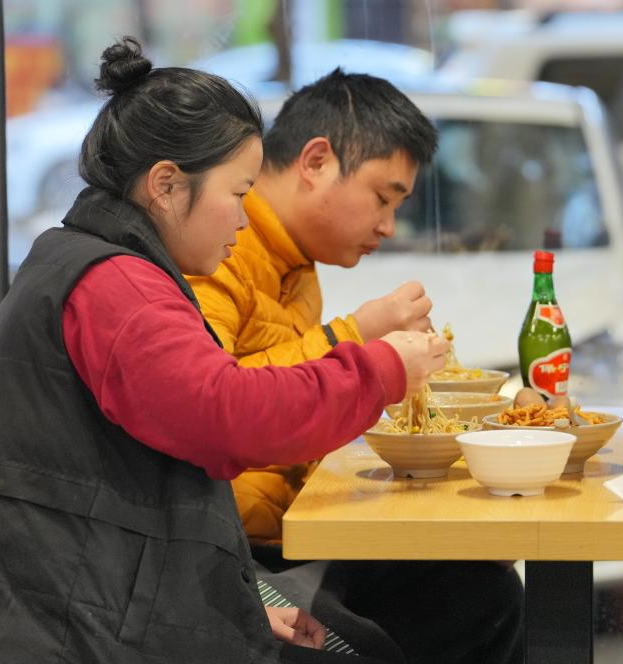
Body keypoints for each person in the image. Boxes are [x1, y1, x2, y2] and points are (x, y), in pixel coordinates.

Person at [0, 37, 447, 664]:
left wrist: (243, 603)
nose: (245, 219)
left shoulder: (101, 264)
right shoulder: (114, 286)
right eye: (237, 193)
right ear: (167, 186)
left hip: (103, 590)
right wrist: (381, 364)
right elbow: (229, 415)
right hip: (71, 619)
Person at [187, 68, 524, 664]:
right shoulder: (213, 250)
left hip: (288, 532)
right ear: (314, 161)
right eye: (382, 197)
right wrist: (357, 337)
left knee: (485, 592)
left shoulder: (297, 265)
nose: (389, 226)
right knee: (360, 649)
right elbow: (219, 404)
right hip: (227, 551)